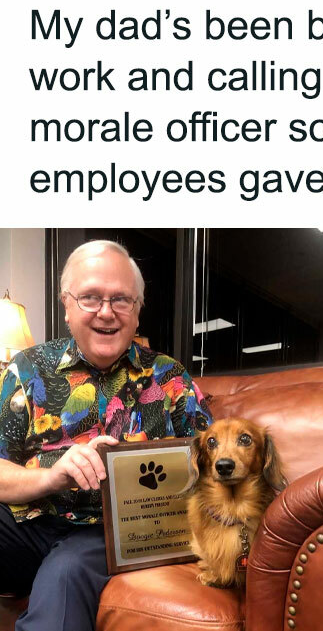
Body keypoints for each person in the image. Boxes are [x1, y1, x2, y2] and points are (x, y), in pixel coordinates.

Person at [0, 240, 212, 631]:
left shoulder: (170, 377)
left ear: (137, 312)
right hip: (28, 521)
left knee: (66, 573)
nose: (106, 312)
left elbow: (213, 463)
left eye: (121, 300)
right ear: (66, 305)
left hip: (110, 532)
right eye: (90, 298)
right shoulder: (27, 369)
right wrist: (51, 476)